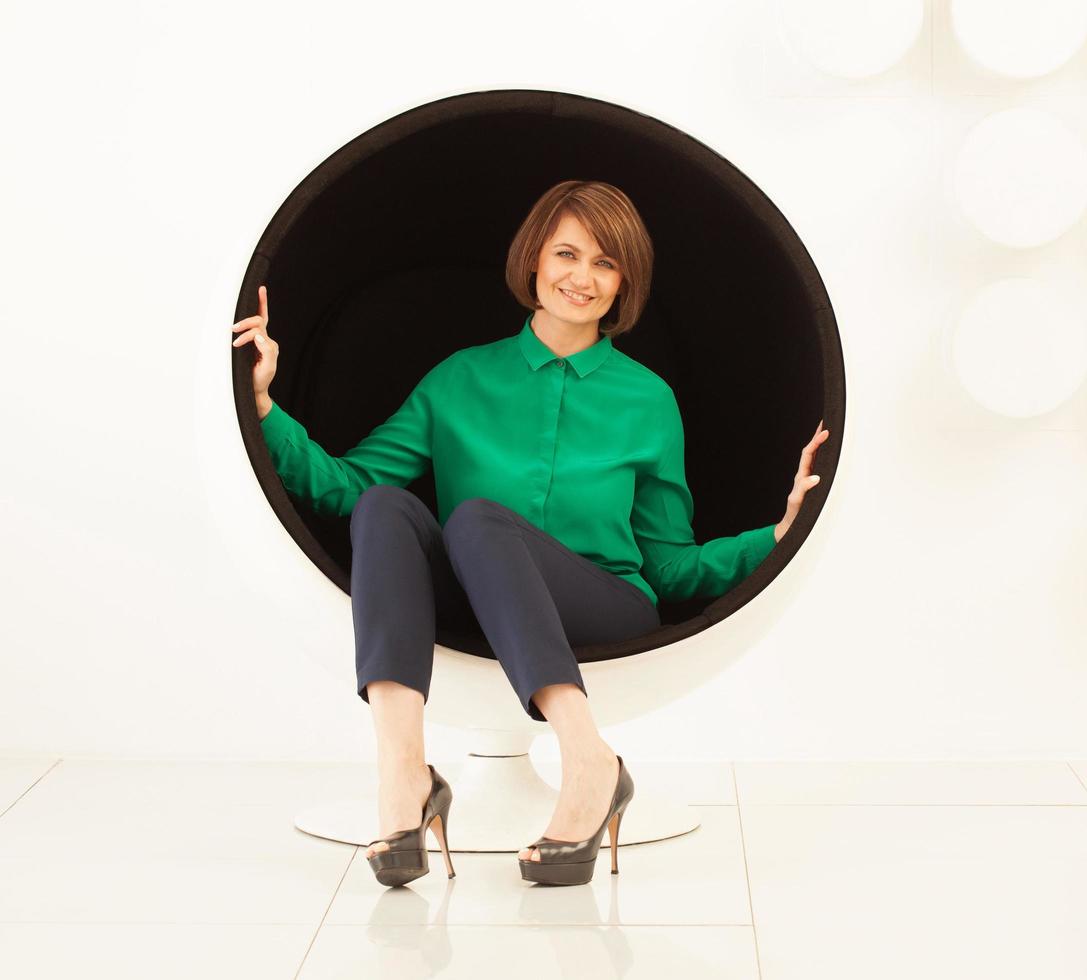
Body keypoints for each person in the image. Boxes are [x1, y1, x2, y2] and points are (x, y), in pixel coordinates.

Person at [229, 179, 829, 886]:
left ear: (624, 282)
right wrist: (264, 401)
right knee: (385, 509)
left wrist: (776, 535)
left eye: (605, 264)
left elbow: (667, 566)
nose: (582, 277)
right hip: (476, 589)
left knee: (478, 519)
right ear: (534, 261)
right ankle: (403, 777)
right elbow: (349, 487)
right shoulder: (459, 379)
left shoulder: (648, 400)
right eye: (567, 254)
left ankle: (588, 763)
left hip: (602, 597)